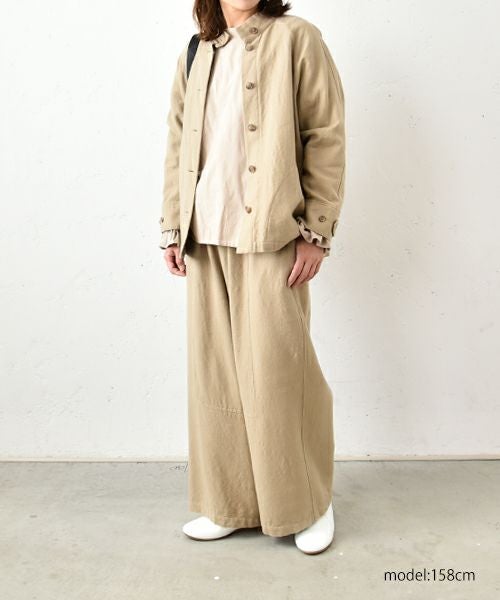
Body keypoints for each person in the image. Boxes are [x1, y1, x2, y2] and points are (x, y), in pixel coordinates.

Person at [158, 0, 345, 555]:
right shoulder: (196, 51)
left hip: (271, 233)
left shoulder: (297, 38)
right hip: (205, 234)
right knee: (217, 379)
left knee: (280, 374)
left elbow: (326, 136)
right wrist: (173, 225)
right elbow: (177, 143)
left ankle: (307, 503)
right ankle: (232, 502)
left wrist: (316, 231)